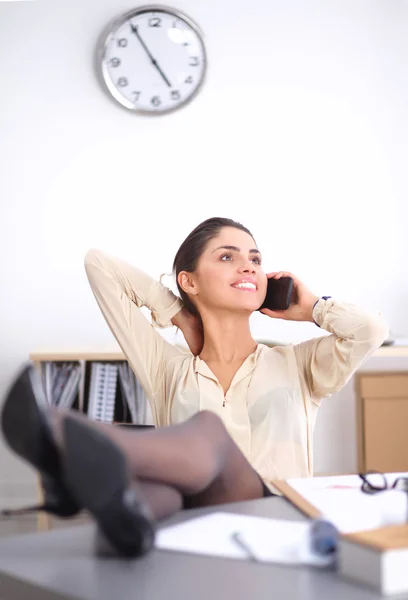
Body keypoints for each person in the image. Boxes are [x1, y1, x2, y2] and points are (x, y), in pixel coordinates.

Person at [1, 217, 388, 557]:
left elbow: (370, 330)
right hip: (199, 529)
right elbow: (98, 264)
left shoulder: (300, 364)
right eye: (227, 257)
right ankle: (93, 482)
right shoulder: (168, 368)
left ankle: (58, 436)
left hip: (277, 523)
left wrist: (312, 308)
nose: (249, 267)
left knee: (209, 433)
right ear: (189, 281)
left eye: (255, 259)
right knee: (154, 497)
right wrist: (179, 316)